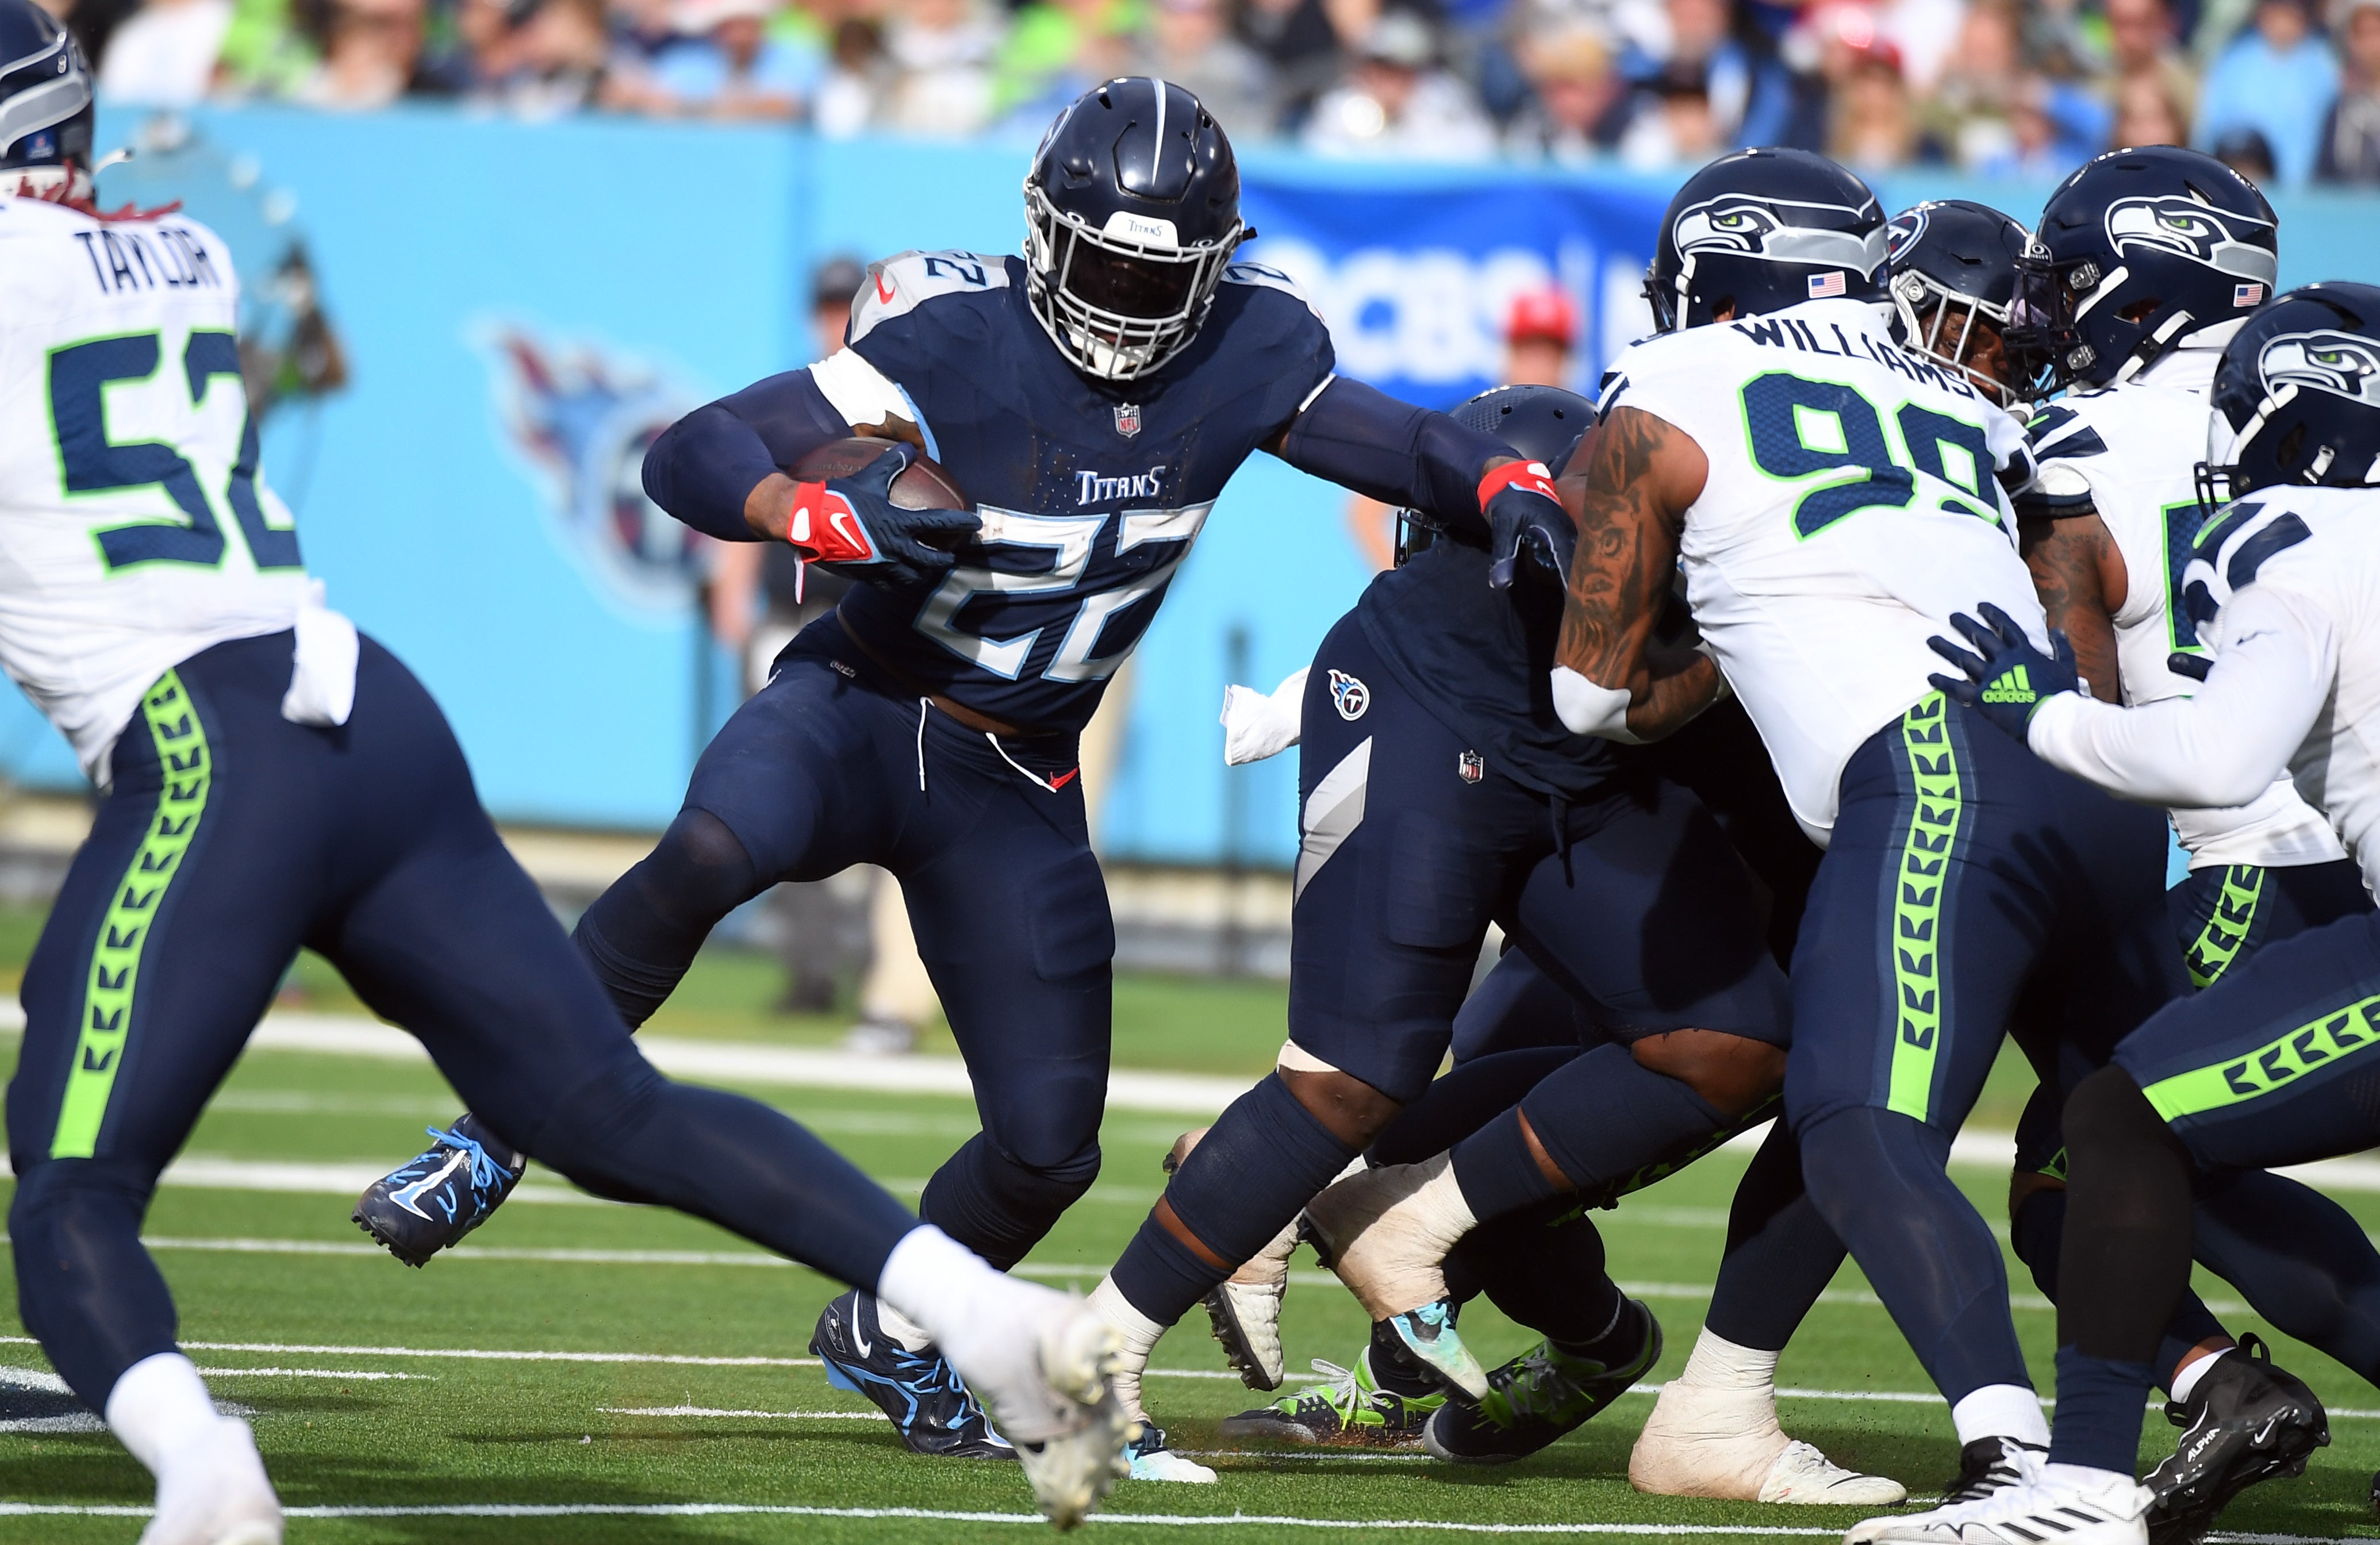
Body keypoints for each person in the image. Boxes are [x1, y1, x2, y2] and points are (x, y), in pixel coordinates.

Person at [0, 7, 1130, 1539]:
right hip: (372, 720)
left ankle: (206, 1477)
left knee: (71, 1187)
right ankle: (988, 1319)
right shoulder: (183, 252)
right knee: (607, 1107)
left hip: (213, 746)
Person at [355, 75, 1579, 1478]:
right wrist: (794, 504)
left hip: (1017, 778)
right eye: (1102, 261)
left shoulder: (1253, 344)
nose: (1123, 301)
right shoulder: (951, 328)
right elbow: (692, 448)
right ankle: (496, 1126)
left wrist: (1499, 487)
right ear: (1041, 231)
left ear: (1213, 269)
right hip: (867, 705)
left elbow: (1409, 437)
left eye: (1156, 274)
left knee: (1050, 1148)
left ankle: (890, 1327)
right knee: (711, 847)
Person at [1300, 148, 2187, 1515]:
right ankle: (1786, 1409)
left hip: (1930, 776)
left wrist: (1706, 656)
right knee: (2123, 1128)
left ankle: (2026, 1465)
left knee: (1846, 1113)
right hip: (2102, 779)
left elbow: (1594, 695)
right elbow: (2069, 598)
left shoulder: (1670, 385)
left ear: (1707, 284)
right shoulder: (1970, 398)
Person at [1181, 383, 1896, 1500]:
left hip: (1746, 930)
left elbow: (1651, 712)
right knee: (1479, 1097)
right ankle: (1547, 1346)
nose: (1470, 580)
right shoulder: (1520, 614)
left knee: (1806, 1081)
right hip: (1608, 895)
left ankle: (1671, 1379)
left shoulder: (1701, 635)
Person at [1883, 279, 2380, 1545]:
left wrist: (2033, 709)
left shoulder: (2292, 532)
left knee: (2115, 1118)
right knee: (2128, 1122)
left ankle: (2090, 1485)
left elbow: (2219, 758)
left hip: (2270, 874)